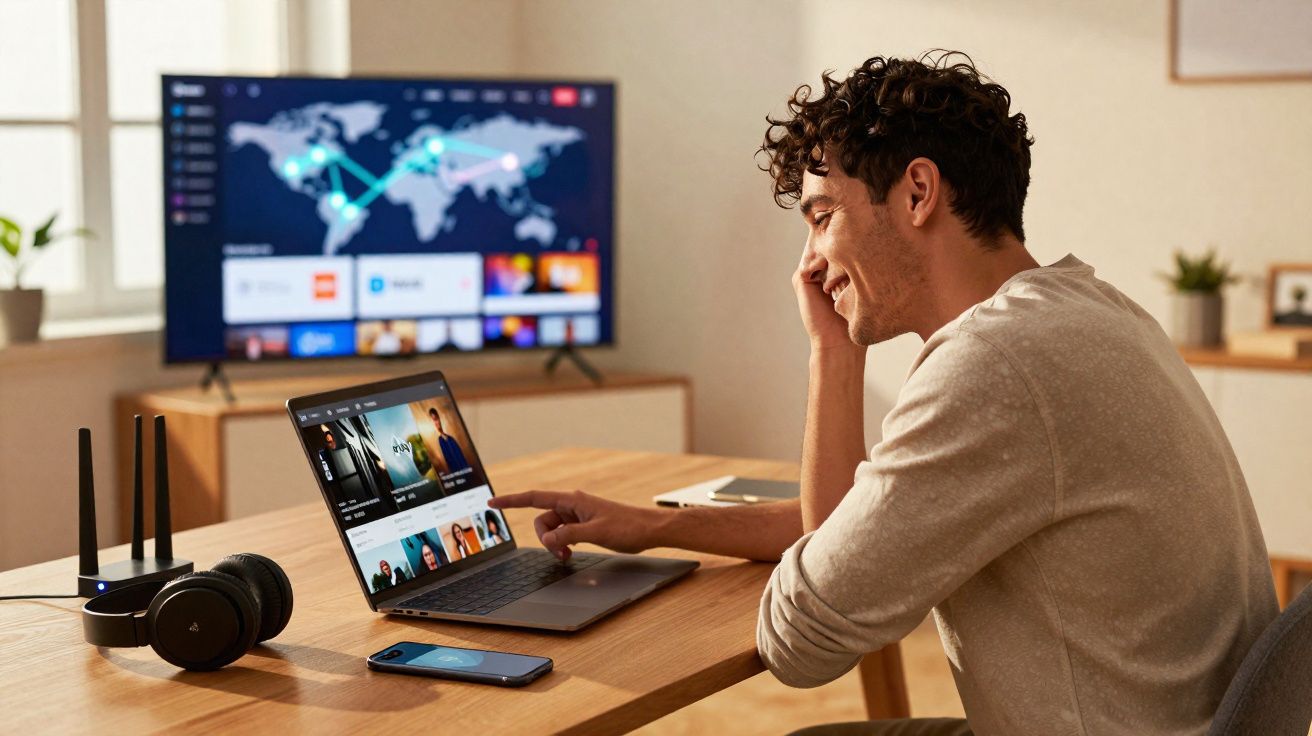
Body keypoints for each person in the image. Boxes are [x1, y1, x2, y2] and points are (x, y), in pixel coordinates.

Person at [490, 52, 1278, 736]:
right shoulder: (1088, 309)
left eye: (823, 216)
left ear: (917, 193)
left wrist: (828, 362)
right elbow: (860, 538)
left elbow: (802, 644)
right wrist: (662, 525)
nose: (810, 261)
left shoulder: (993, 367)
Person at [428, 407, 470, 473]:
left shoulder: (450, 436)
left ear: (439, 418)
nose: (435, 423)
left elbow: (461, 458)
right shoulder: (439, 440)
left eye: (436, 419)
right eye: (433, 421)